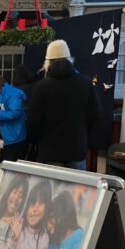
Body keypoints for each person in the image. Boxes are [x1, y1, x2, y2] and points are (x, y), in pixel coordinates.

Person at [26, 39, 100, 170]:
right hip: (77, 148)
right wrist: (80, 129)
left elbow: (34, 121)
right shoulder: (85, 83)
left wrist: (37, 140)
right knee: (76, 190)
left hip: (49, 151)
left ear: (47, 62)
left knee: (53, 190)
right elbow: (95, 114)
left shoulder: (41, 87)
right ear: (70, 60)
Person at [0, 72, 27, 162]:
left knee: (11, 167)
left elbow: (15, 113)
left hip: (14, 137)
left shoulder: (12, 94)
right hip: (3, 136)